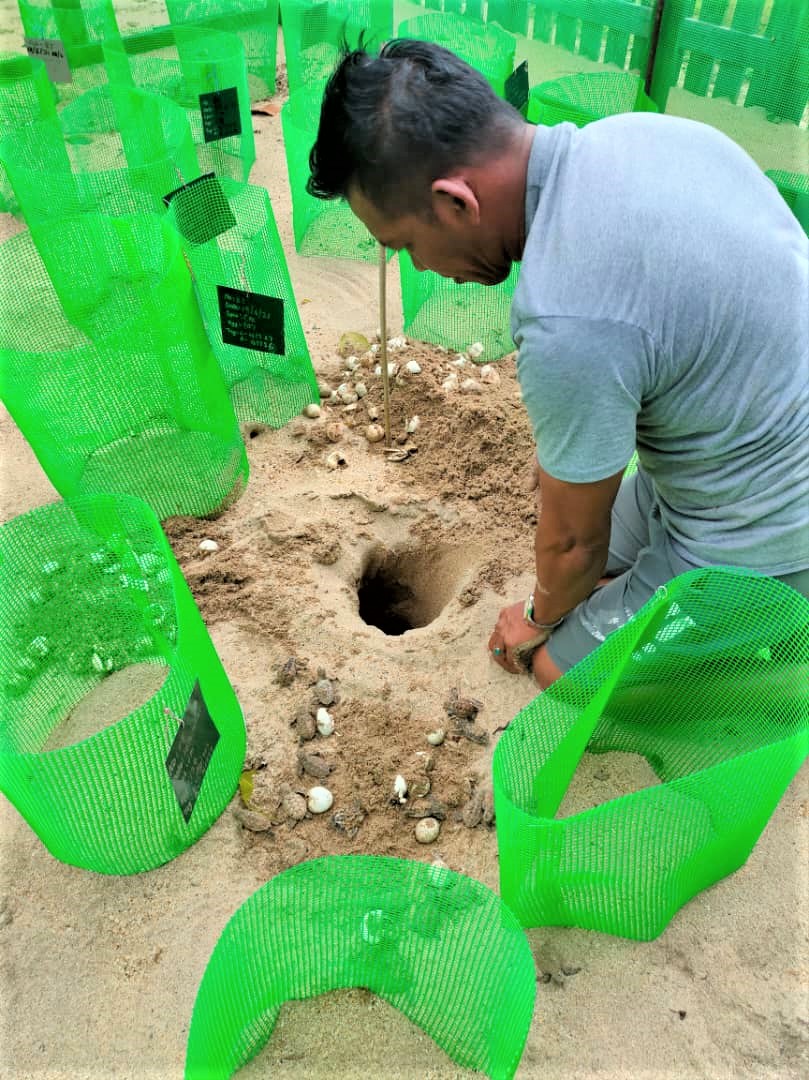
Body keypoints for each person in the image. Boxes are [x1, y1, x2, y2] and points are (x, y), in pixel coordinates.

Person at [306, 39, 809, 688]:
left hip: (769, 534)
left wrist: (538, 618)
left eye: (404, 245)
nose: (421, 267)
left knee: (551, 667)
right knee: (589, 564)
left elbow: (573, 546)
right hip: (738, 454)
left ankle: (763, 642)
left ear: (456, 202)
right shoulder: (640, 135)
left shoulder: (566, 316)